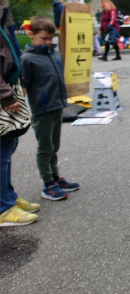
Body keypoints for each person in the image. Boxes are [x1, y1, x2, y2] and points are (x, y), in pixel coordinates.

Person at [20, 17, 78, 201]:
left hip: (57, 105)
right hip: (42, 110)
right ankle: (48, 185)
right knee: (45, 148)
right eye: (43, 38)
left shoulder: (54, 54)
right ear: (31, 35)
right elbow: (24, 85)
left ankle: (55, 178)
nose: (48, 42)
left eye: (50, 39)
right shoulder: (27, 58)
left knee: (54, 146)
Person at [0, 25, 40, 226]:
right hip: (3, 93)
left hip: (8, 87)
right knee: (2, 153)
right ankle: (3, 208)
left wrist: (19, 80)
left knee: (8, 148)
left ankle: (9, 197)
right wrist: (6, 96)